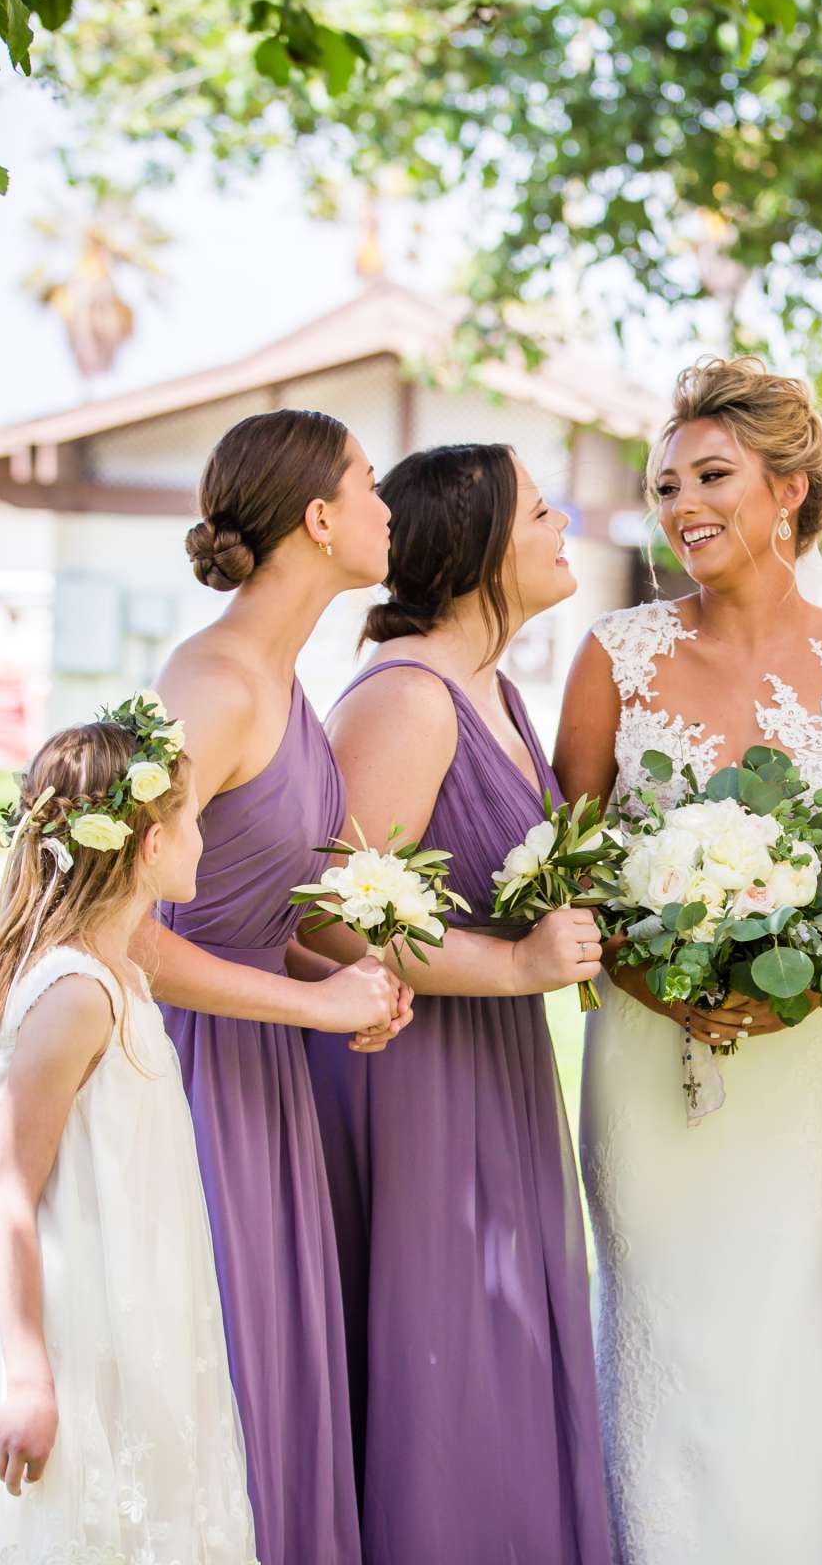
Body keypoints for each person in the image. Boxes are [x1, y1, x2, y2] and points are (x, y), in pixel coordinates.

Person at [553, 357, 822, 1564]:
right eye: (665, 486)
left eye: (711, 476)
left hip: (808, 1057)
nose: (682, 506)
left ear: (790, 488)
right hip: (645, 1049)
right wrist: (672, 987)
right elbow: (577, 870)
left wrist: (791, 991)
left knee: (787, 1323)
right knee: (659, 1318)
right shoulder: (615, 656)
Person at [298, 443, 612, 1562]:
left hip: (494, 1060)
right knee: (454, 1352)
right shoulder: (409, 697)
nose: (563, 519)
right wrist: (518, 968)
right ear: (481, 547)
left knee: (508, 1340)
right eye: (540, 509)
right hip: (413, 1075)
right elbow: (327, 923)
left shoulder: (496, 688)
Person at [146, 408, 409, 1563]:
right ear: (318, 516)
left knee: (277, 1372)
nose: (386, 507)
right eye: (368, 483)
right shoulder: (213, 683)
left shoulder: (286, 683)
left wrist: (334, 972)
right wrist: (312, 1004)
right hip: (191, 1080)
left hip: (261, 1074)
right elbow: (117, 930)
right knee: (223, 1370)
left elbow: (235, 915)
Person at [0, 697, 257, 1564]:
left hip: (135, 1293)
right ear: (150, 846)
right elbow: (11, 1196)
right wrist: (32, 1378)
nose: (201, 838)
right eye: (191, 819)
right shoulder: (77, 993)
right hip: (78, 1316)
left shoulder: (117, 969)